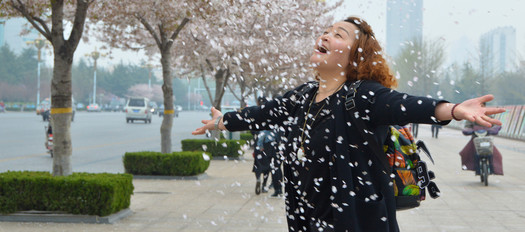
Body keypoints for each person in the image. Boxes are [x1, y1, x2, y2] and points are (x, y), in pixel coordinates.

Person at [193, 16, 505, 232]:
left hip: (357, 222)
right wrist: (223, 122)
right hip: (307, 220)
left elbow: (406, 104)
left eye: (338, 34)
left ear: (356, 55)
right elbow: (265, 114)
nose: (325, 36)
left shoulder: (363, 96)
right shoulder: (304, 96)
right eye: (326, 31)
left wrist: (453, 109)